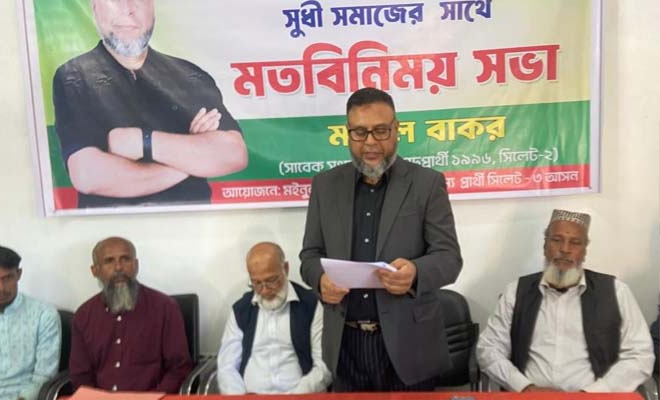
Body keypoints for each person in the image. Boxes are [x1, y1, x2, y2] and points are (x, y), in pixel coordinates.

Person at [299, 87, 463, 391]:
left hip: (409, 346)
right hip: (345, 346)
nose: (370, 142)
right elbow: (309, 256)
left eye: (381, 131)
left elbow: (449, 258)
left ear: (396, 129)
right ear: (348, 133)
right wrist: (320, 281)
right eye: (360, 132)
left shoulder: (427, 184)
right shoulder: (325, 186)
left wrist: (415, 273)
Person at [53, 0, 247, 208]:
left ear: (152, 7)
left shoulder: (190, 75)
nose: (127, 9)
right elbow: (88, 176)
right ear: (94, 7)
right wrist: (190, 161)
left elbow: (234, 154)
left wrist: (142, 142)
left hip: (191, 222)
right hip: (112, 225)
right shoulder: (74, 76)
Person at [477, 209, 655, 392]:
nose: (565, 249)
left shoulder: (616, 292)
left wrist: (592, 393)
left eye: (575, 243)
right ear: (545, 246)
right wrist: (524, 387)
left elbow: (640, 356)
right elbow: (489, 348)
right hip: (528, 396)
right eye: (557, 240)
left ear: (584, 251)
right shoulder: (516, 291)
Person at [69, 237, 192, 392]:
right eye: (109, 261)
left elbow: (179, 368)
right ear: (95, 271)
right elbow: (81, 375)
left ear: (136, 265)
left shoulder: (165, 308)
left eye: (125, 259)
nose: (118, 267)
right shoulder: (83, 316)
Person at [217, 242, 332, 394]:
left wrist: (295, 396)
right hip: (250, 395)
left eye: (271, 280)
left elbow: (324, 365)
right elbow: (227, 367)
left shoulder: (311, 305)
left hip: (299, 394)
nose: (265, 290)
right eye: (257, 283)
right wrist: (241, 397)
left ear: (286, 269)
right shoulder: (241, 310)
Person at [0, 245, 60, 400]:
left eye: (7, 278)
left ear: (18, 274)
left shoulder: (43, 315)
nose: (0, 288)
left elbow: (44, 376)